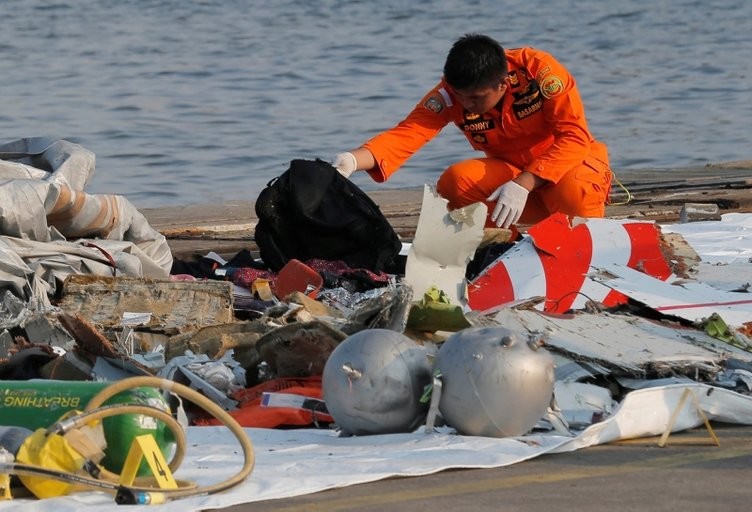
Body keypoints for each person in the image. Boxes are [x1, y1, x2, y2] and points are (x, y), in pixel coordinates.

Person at [332, 33, 612, 230]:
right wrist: (352, 161)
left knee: (576, 187)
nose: (467, 105)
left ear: (502, 85)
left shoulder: (538, 72)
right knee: (455, 182)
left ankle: (589, 248)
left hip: (567, 174)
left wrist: (525, 182)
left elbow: (574, 137)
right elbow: (408, 134)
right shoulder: (451, 95)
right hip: (511, 182)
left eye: (476, 98)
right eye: (460, 95)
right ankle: (502, 248)